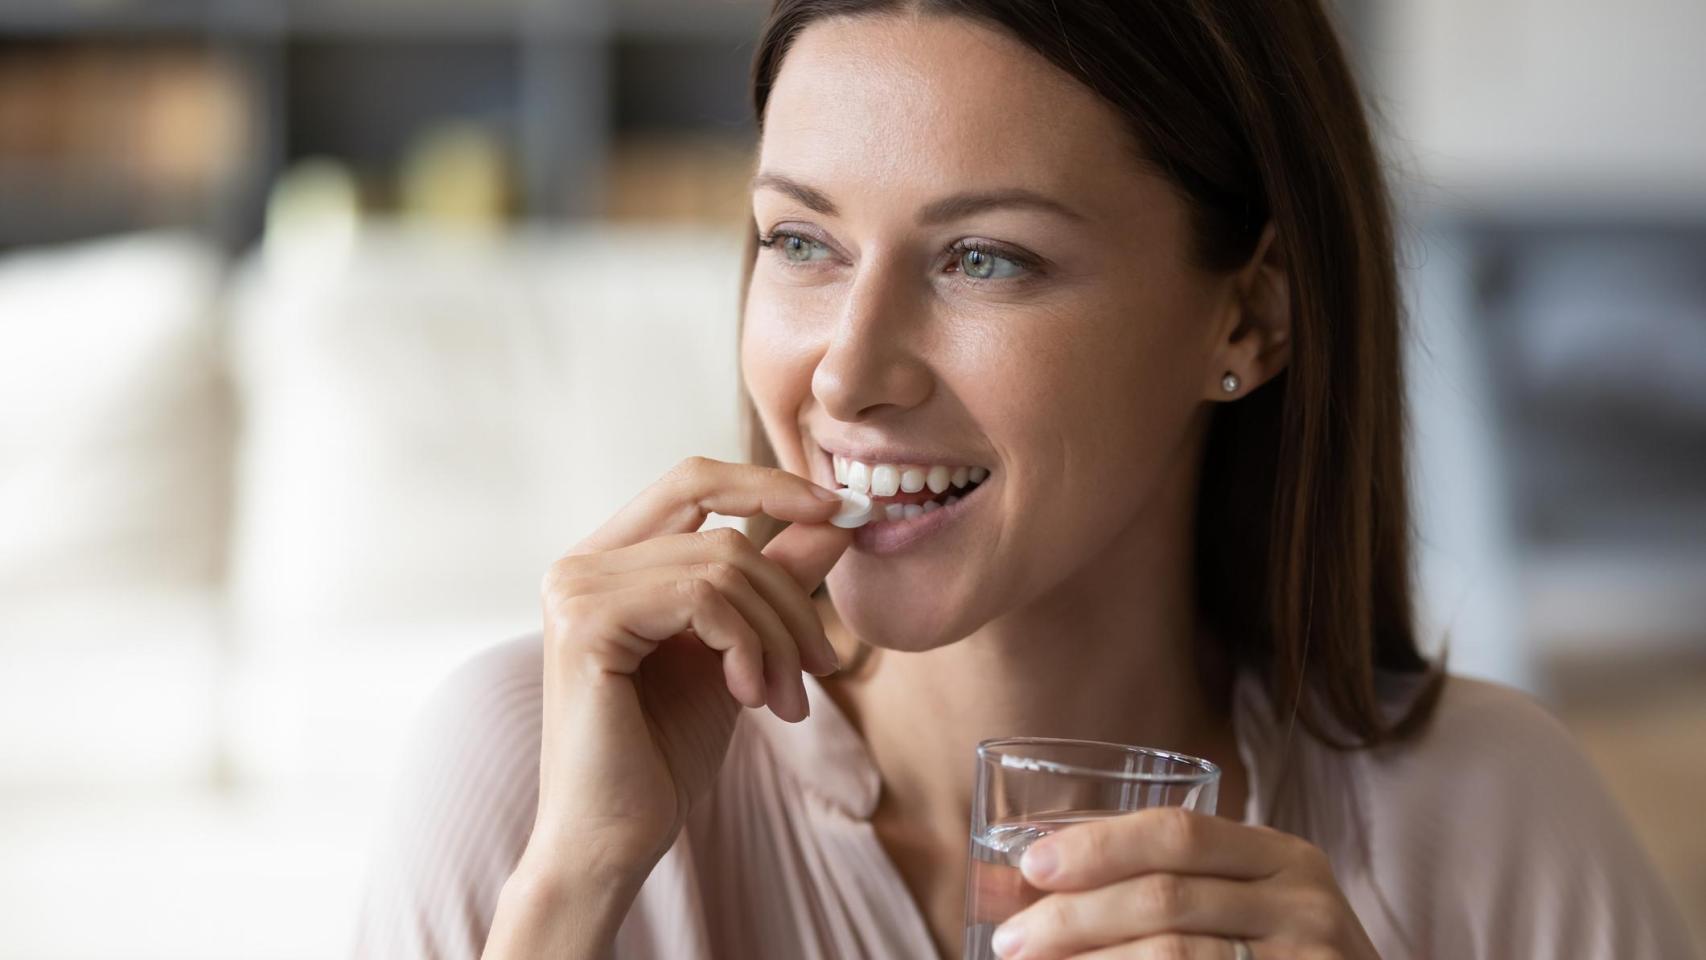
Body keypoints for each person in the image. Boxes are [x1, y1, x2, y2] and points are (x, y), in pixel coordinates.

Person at [352, 2, 1697, 958]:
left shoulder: (1495, 819)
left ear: (1247, 319)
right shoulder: (533, 776)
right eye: (800, 241)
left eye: (982, 259)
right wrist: (569, 897)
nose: (844, 375)